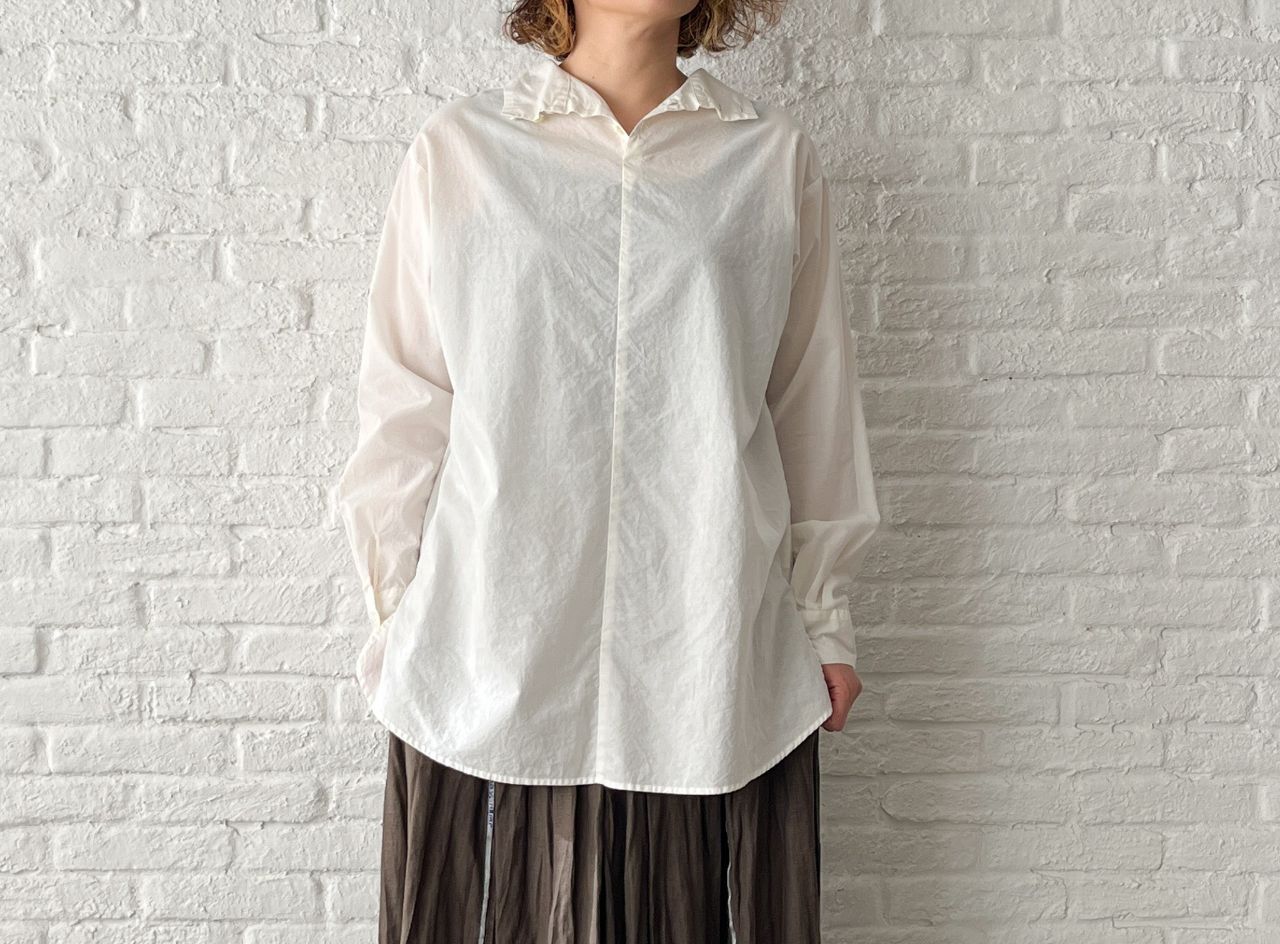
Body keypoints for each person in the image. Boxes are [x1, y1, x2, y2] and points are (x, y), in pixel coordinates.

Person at [334, 0, 881, 940]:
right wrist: (394, 614)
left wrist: (826, 616)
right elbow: (407, 401)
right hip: (491, 644)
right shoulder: (464, 152)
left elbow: (811, 403)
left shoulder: (769, 160)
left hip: (707, 648)